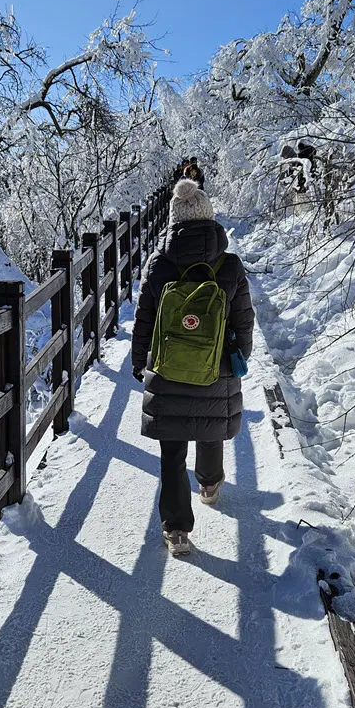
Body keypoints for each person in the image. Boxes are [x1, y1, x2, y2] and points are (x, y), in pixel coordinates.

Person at [131, 162, 255, 556]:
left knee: (172, 451)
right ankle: (210, 482)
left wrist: (140, 360)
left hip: (167, 368)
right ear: (210, 218)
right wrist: (239, 356)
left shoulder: (158, 264)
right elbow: (244, 319)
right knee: (209, 427)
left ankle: (176, 531)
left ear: (173, 222)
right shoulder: (229, 265)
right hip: (216, 367)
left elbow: (144, 318)